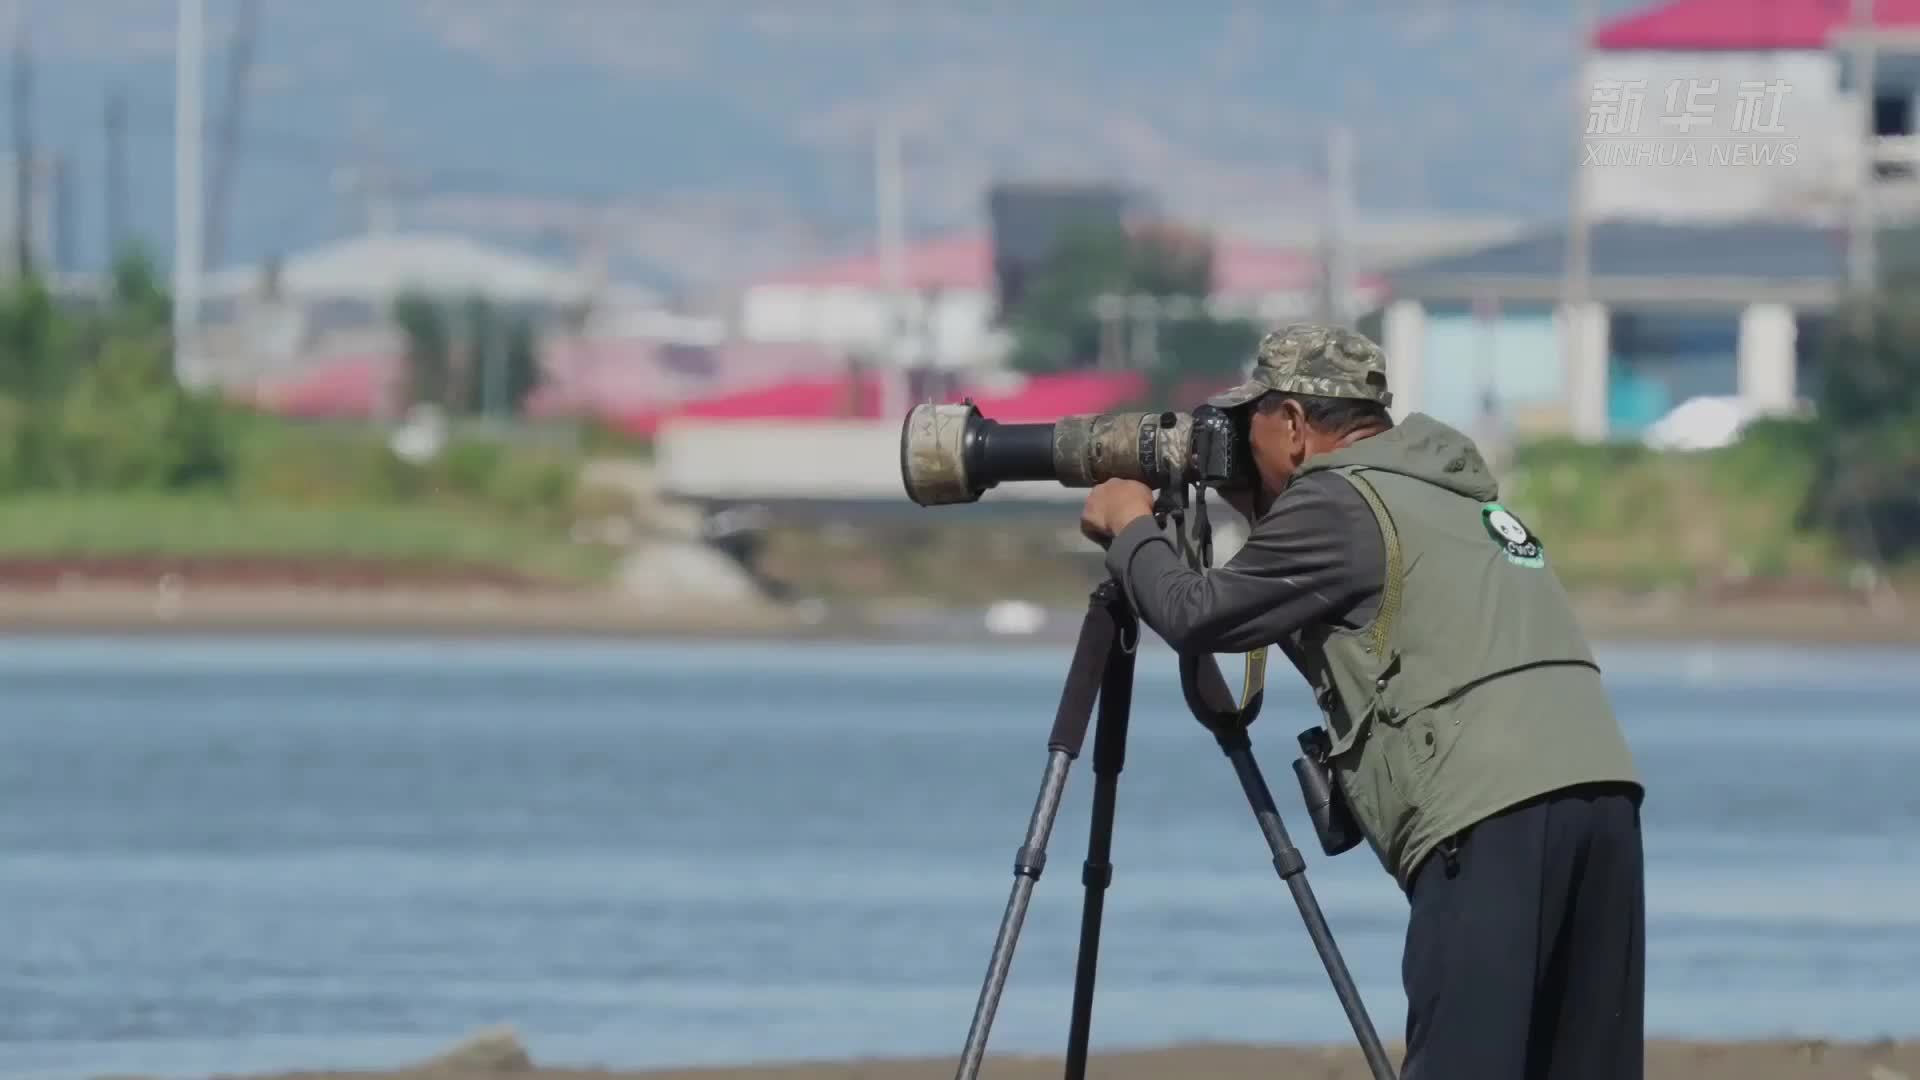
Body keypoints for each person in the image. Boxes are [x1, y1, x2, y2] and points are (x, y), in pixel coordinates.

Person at [1077, 324, 1646, 1080]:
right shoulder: (1451, 499)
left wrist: (1131, 528)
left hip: (1487, 809)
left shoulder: (1337, 505)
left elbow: (1192, 615)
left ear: (1294, 425)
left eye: (1252, 427)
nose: (1243, 448)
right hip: (1602, 796)